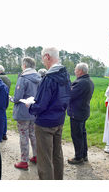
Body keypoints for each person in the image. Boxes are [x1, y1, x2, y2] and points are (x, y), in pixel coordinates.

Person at [28, 47, 71, 180]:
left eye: (42, 58)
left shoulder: (49, 78)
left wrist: (30, 106)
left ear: (47, 56)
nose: (43, 62)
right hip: (59, 119)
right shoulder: (65, 75)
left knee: (45, 159)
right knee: (57, 154)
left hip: (45, 123)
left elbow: (40, 105)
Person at [12, 57, 41, 170]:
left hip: (23, 111)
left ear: (24, 65)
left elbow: (17, 97)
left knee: (23, 135)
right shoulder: (40, 78)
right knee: (33, 134)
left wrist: (12, 99)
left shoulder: (23, 78)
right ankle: (36, 156)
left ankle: (24, 161)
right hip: (34, 111)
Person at [67, 62, 94, 164]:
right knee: (82, 134)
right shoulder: (89, 81)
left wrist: (68, 86)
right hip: (83, 111)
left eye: (75, 69)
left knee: (77, 135)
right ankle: (84, 154)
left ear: (80, 71)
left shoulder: (81, 82)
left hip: (77, 112)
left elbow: (70, 95)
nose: (74, 71)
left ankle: (78, 157)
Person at [0, 64, 11, 141]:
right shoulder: (7, 78)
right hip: (5, 99)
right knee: (4, 117)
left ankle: (0, 134)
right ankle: (4, 134)